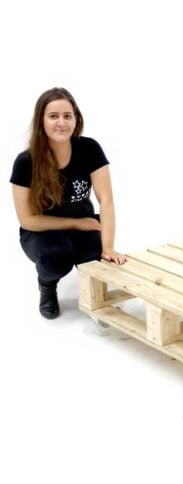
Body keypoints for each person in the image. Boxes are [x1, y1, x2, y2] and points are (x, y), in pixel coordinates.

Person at [10, 87, 126, 319]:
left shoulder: (89, 149)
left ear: (76, 119)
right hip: (41, 232)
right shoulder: (25, 162)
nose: (61, 122)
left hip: (84, 224)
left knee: (98, 257)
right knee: (55, 259)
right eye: (53, 116)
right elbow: (27, 220)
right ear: (41, 121)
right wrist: (76, 223)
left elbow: (106, 200)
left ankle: (93, 295)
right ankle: (47, 287)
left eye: (67, 116)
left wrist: (108, 248)